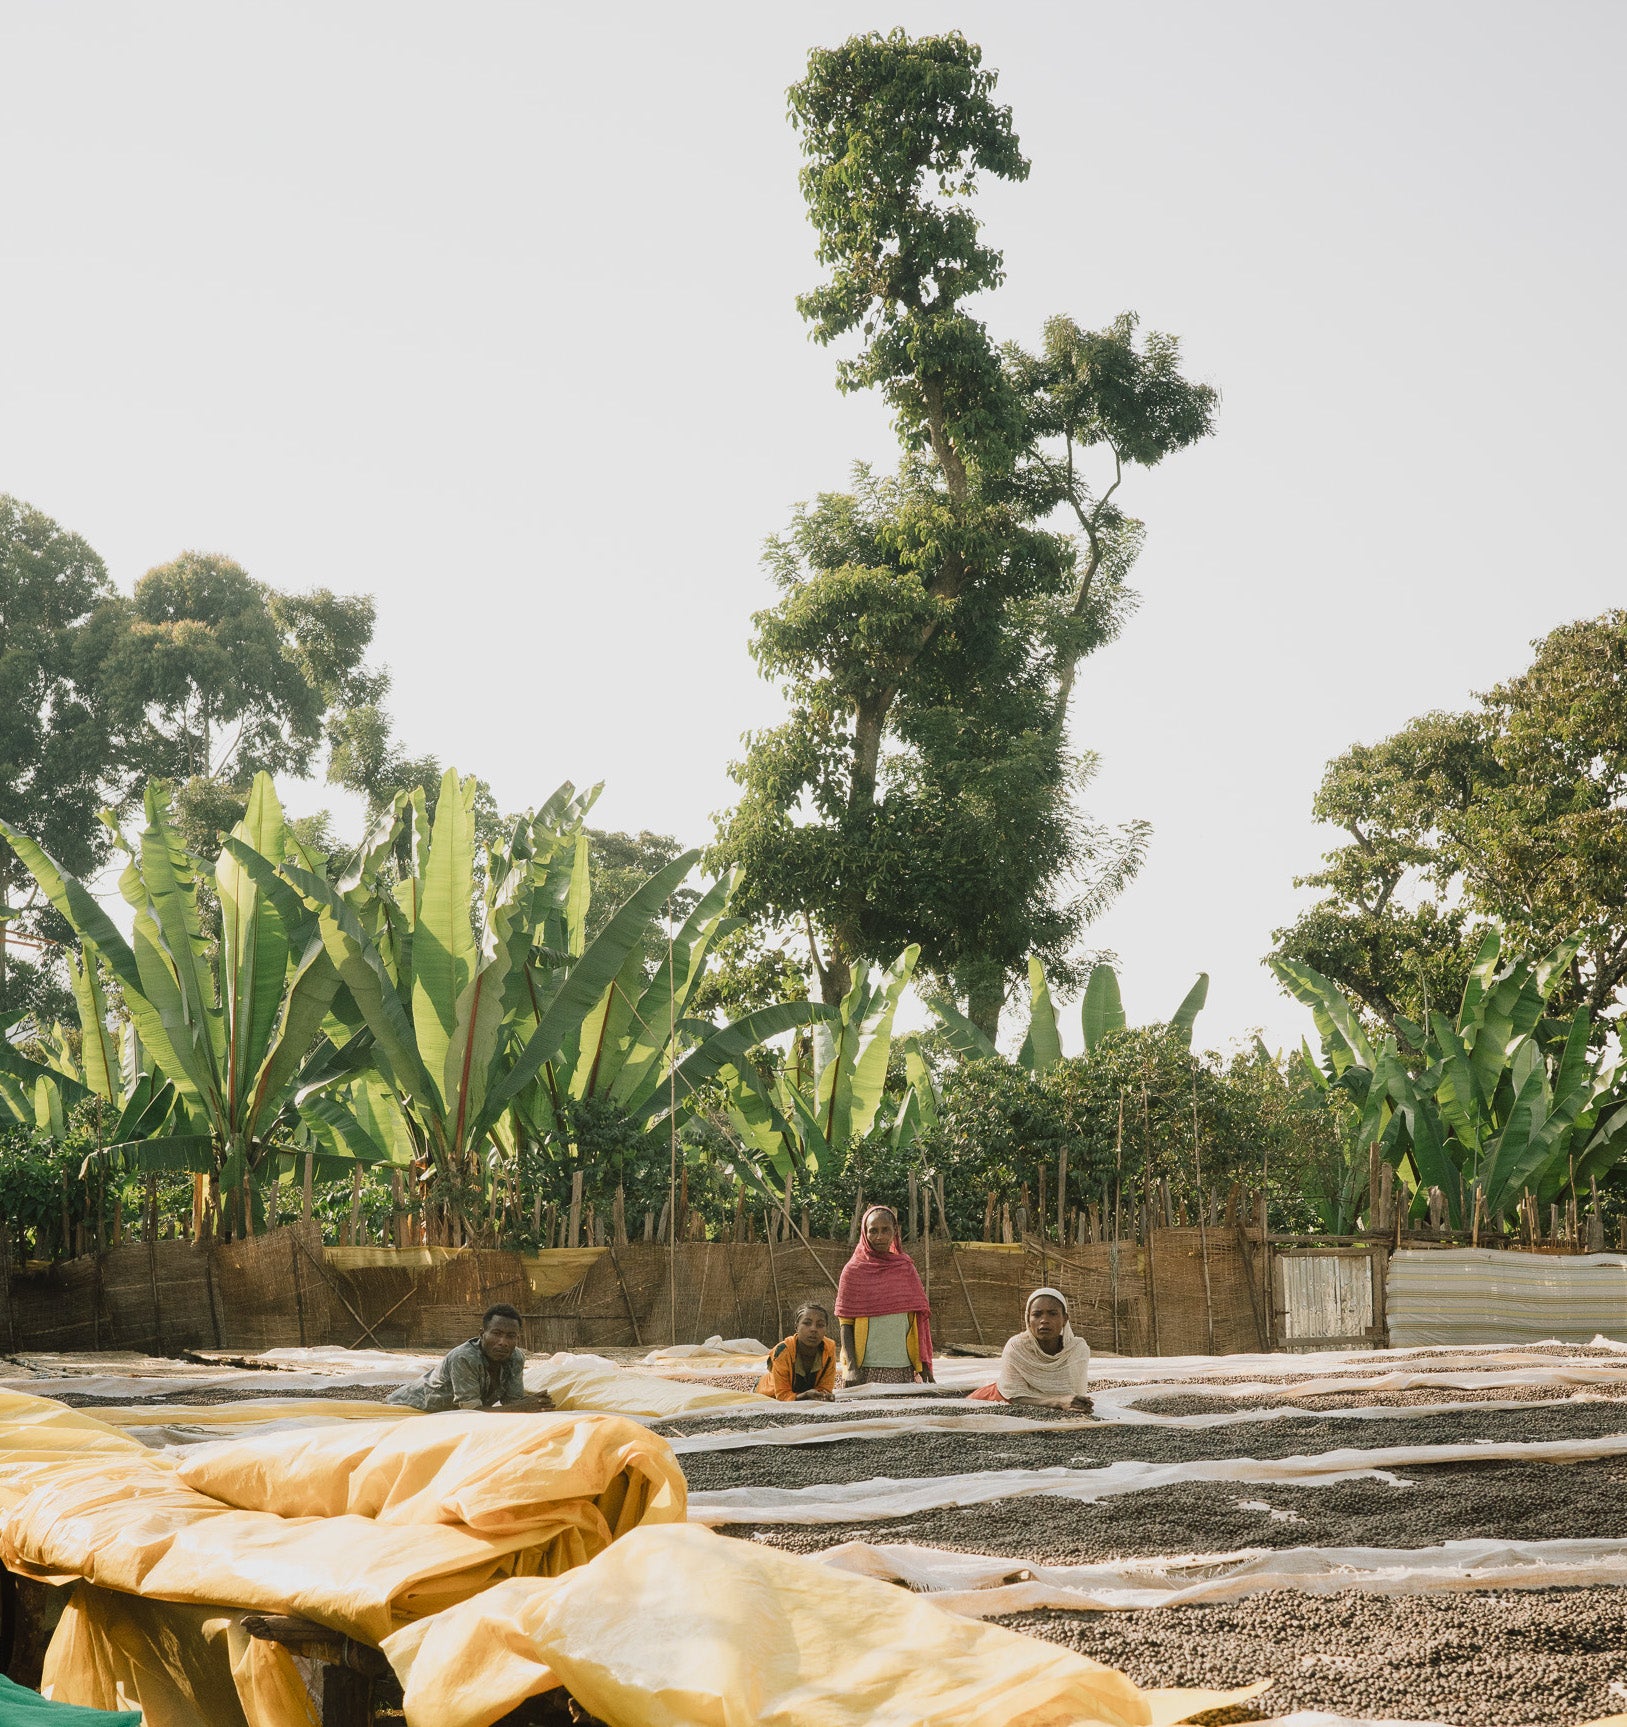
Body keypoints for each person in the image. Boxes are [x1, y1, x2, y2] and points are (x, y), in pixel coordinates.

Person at [386, 1303, 555, 1413]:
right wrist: (521, 1407)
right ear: (482, 1334)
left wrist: (537, 1402)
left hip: (450, 1411)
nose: (503, 1342)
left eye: (511, 1336)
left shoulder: (516, 1357)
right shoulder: (464, 1358)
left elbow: (511, 1401)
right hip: (409, 1406)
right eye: (496, 1334)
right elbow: (471, 1413)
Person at [835, 1204, 935, 1386]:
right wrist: (850, 1368)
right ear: (864, 1233)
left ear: (895, 1231)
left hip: (901, 1366)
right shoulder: (853, 1270)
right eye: (873, 1231)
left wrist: (924, 1365)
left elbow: (919, 1321)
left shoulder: (905, 1268)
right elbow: (845, 1324)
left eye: (885, 1230)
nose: (879, 1236)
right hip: (865, 1367)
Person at [970, 1287, 1092, 1410]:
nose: (1044, 1320)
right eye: (1037, 1315)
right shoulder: (1016, 1348)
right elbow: (1014, 1397)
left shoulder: (1077, 1350)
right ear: (1028, 1319)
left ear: (1065, 1319)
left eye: (1053, 1314)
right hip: (998, 1399)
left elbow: (1076, 1393)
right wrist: (1057, 1403)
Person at [757, 1301, 839, 1401]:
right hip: (769, 1393)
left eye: (820, 1325)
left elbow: (825, 1388)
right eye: (807, 1323)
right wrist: (805, 1396)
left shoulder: (828, 1349)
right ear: (796, 1327)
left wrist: (824, 1395)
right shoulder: (782, 1351)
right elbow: (782, 1395)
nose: (813, 1329)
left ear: (826, 1329)